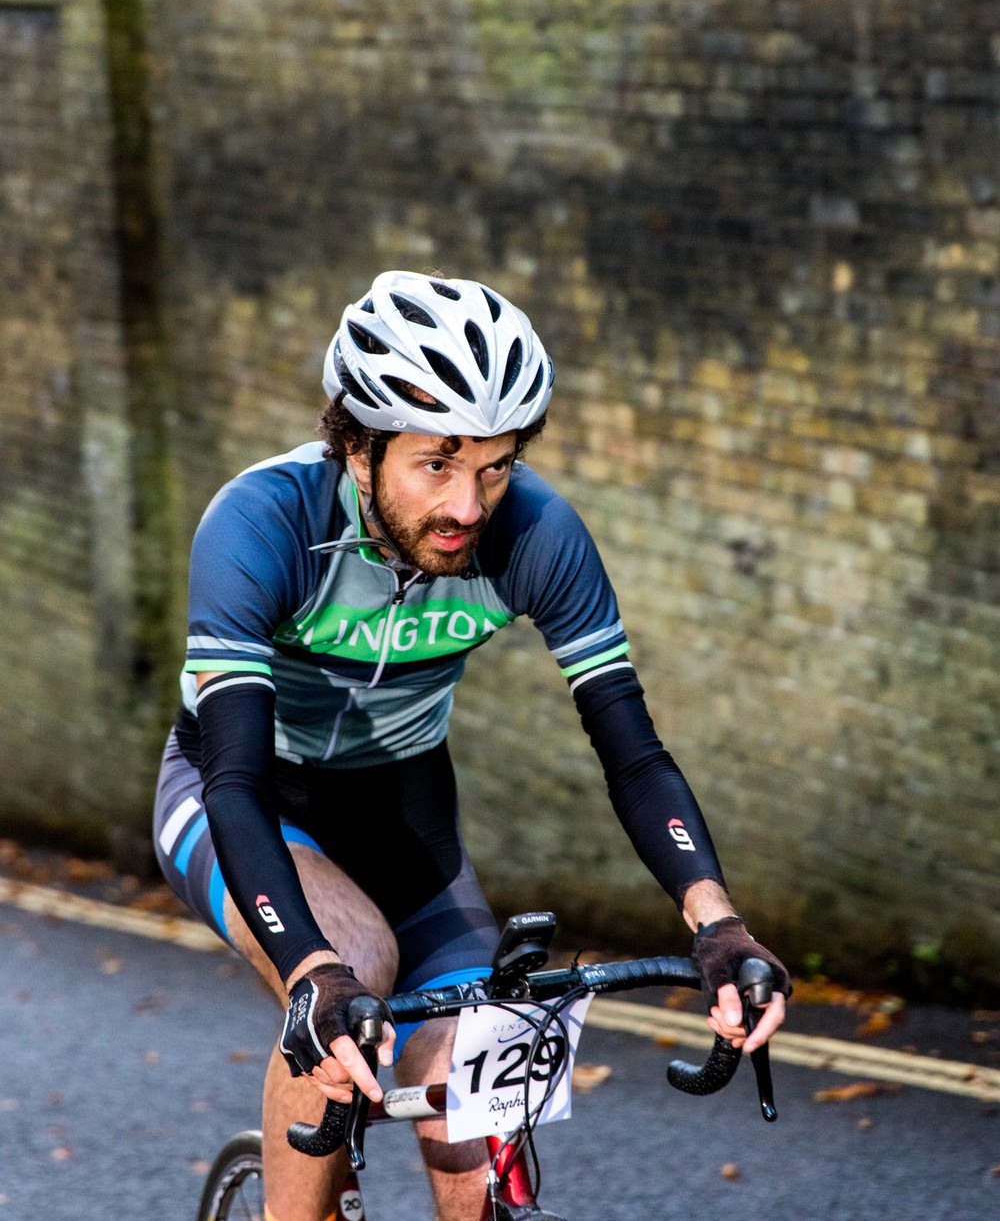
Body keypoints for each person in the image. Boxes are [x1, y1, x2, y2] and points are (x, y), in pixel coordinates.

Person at [153, 269, 790, 1221]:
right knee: (353, 967)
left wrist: (717, 922)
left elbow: (634, 752)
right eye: (438, 463)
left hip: (407, 816)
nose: (469, 505)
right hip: (242, 802)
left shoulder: (536, 532)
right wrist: (312, 974)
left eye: (494, 465)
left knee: (478, 1086)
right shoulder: (263, 523)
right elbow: (237, 777)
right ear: (359, 448)